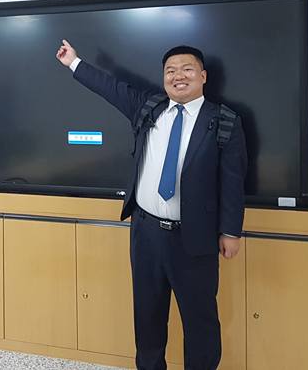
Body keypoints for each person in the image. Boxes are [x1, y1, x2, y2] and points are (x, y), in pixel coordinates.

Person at [56, 39, 246, 370]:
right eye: (170, 71)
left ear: (203, 76)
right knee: (147, 317)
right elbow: (111, 88)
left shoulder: (224, 121)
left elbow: (233, 181)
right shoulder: (149, 108)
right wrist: (74, 61)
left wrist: (231, 231)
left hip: (195, 239)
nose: (178, 76)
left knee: (200, 321)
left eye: (187, 69)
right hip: (146, 233)